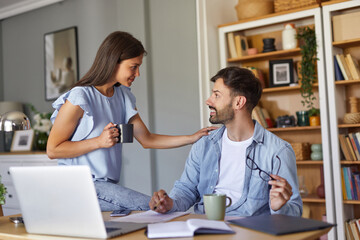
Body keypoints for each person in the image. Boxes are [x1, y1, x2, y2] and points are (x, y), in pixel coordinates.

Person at [46, 31, 216, 211]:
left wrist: (192, 137)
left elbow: (147, 139)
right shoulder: (80, 96)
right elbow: (53, 149)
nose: (138, 73)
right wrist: (98, 142)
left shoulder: (123, 96)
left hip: (106, 187)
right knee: (154, 210)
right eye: (133, 67)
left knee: (156, 211)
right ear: (114, 62)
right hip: (79, 186)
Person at [149, 67, 302, 217]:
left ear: (238, 102)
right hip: (205, 227)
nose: (208, 101)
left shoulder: (278, 151)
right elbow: (187, 189)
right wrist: (170, 203)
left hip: (250, 232)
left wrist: (279, 208)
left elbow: (294, 210)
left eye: (216, 95)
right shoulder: (204, 143)